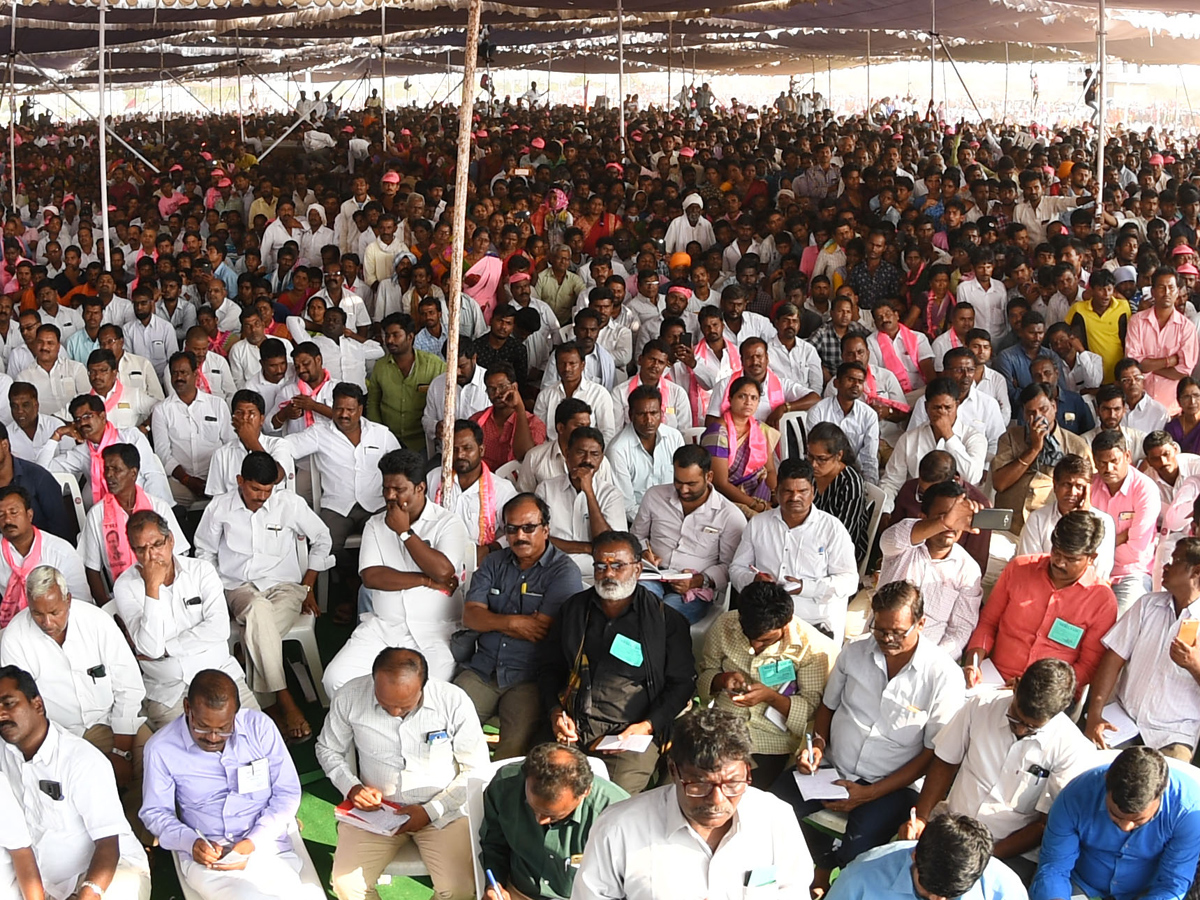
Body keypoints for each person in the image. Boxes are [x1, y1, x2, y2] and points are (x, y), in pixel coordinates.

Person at [769, 581, 965, 894]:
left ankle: (832, 875)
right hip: (832, 767)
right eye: (879, 629)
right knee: (771, 810)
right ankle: (806, 871)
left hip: (891, 784)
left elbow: (932, 755)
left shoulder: (943, 676)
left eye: (897, 632)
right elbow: (828, 707)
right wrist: (817, 746)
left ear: (921, 623)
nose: (887, 639)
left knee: (858, 853)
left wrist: (869, 793)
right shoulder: (855, 651)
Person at [573, 708, 813, 899]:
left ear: (747, 771)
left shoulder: (775, 818)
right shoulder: (619, 828)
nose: (717, 800)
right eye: (700, 785)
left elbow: (794, 891)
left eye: (733, 783)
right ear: (673, 771)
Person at [898, 659, 1096, 878]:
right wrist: (922, 818)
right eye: (1015, 717)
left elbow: (1043, 825)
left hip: (1010, 851)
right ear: (1016, 685)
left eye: (1031, 728)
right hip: (951, 825)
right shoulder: (980, 705)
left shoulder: (1072, 749)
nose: (1020, 729)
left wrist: (984, 857)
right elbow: (945, 762)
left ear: (1058, 714)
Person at [317, 648, 488, 900]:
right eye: (385, 705)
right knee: (347, 887)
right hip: (377, 813)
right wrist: (352, 788)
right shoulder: (350, 696)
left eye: (404, 706)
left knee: (458, 890)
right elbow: (327, 748)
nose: (395, 713)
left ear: (424, 686)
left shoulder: (453, 701)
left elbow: (476, 769)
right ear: (373, 680)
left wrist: (430, 811)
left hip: (444, 812)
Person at [0, 565, 153, 844]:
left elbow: (129, 687)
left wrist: (120, 749)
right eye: (37, 613)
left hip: (111, 721)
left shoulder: (96, 622)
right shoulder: (15, 638)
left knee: (151, 759)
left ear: (68, 600)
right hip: (58, 736)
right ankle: (96, 849)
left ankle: (139, 845)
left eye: (54, 612)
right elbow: (22, 711)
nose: (47, 621)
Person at [538, 530, 695, 793]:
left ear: (637, 569)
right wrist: (556, 713)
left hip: (629, 735)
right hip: (573, 726)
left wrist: (646, 726)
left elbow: (682, 685)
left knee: (613, 804)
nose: (608, 574)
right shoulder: (574, 611)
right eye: (601, 566)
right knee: (547, 794)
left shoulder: (666, 622)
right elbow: (548, 669)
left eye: (618, 566)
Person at [140, 670, 318, 900]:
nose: (213, 737)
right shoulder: (161, 748)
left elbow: (287, 791)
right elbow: (155, 812)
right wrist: (190, 842)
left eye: (224, 728)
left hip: (267, 846)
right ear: (187, 708)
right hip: (211, 859)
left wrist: (253, 842)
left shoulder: (260, 728)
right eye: (202, 726)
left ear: (236, 713)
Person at [194, 452, 333, 744]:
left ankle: (268, 700)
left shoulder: (289, 504)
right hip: (239, 589)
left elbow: (322, 538)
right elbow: (204, 551)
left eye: (268, 491)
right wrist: (218, 592)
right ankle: (285, 701)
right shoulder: (220, 507)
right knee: (256, 610)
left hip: (286, 588)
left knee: (256, 625)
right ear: (240, 481)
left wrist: (308, 585)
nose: (262, 497)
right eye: (256, 489)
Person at [322, 449, 469, 691]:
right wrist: (425, 579)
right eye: (386, 489)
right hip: (383, 627)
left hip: (436, 630)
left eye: (398, 490)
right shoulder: (375, 524)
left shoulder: (447, 523)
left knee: (430, 688)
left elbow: (443, 572)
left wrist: (404, 533)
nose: (390, 496)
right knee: (335, 679)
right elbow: (372, 577)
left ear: (420, 488)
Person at [0, 665, 151, 900]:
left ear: (37, 704)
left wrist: (87, 893)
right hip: (41, 880)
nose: (1, 714)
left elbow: (108, 841)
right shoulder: (5, 752)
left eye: (8, 703)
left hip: (106, 874)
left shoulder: (81, 760)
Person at [454, 493, 581, 759]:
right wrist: (515, 621)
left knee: (512, 753)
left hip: (529, 677)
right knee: (447, 731)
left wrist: (492, 620)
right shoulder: (493, 562)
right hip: (482, 668)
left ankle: (495, 798)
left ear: (545, 530)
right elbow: (471, 616)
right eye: (512, 529)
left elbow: (541, 630)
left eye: (528, 527)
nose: (519, 535)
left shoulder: (563, 571)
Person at [112, 511, 256, 729]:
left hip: (220, 675)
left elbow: (218, 629)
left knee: (255, 734)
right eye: (141, 549)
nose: (151, 556)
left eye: (157, 544)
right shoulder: (125, 586)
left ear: (171, 539)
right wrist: (152, 589)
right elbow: (150, 649)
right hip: (169, 690)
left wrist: (167, 649)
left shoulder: (201, 571)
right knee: (186, 757)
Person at [698, 580, 838, 788]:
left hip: (769, 739)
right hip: (721, 726)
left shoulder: (812, 648)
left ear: (785, 623)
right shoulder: (725, 625)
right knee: (695, 781)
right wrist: (722, 680)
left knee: (741, 794)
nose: (755, 645)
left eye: (765, 641)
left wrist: (771, 697)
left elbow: (810, 711)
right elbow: (704, 672)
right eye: (750, 637)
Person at [963, 510, 1117, 691]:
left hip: (1049, 694)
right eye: (1056, 553)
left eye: (1070, 559)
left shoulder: (1102, 601)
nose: (1059, 562)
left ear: (1091, 558)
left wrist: (1037, 688)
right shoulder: (1019, 569)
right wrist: (974, 662)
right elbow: (988, 623)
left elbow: (1088, 666)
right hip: (993, 679)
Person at [287, 383, 400, 623]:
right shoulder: (319, 433)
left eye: (350, 409)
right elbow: (285, 447)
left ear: (360, 409)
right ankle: (352, 582)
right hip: (337, 505)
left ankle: (376, 598)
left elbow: (400, 463)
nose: (344, 415)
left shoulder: (381, 433)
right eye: (339, 409)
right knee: (324, 543)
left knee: (391, 540)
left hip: (376, 504)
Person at [1031, 748, 1200, 900]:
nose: (1125, 827)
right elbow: (1054, 866)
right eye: (1116, 815)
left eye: (1138, 820)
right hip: (1081, 884)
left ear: (1160, 794)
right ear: (1106, 783)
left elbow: (1172, 884)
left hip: (1148, 892)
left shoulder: (1187, 810)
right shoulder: (1075, 796)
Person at [1084, 538, 1200, 760]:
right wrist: (1095, 715)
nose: (1165, 565)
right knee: (1088, 769)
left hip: (1173, 735)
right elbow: (1113, 658)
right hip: (1122, 718)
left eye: (1175, 560)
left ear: (1196, 571)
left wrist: (1194, 665)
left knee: (1159, 787)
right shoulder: (1147, 605)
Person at [478, 743, 629, 900]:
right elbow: (494, 845)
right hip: (518, 892)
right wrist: (494, 885)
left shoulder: (617, 815)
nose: (540, 820)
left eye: (553, 815)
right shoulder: (505, 787)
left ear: (585, 792)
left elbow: (631, 881)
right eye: (532, 808)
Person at [730, 458, 858, 643]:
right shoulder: (758, 524)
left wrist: (805, 588)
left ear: (812, 492)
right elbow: (736, 569)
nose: (795, 497)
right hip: (766, 623)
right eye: (788, 491)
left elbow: (849, 581)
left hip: (813, 623)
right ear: (777, 492)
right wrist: (754, 580)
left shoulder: (832, 528)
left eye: (802, 491)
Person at [631, 444, 746, 626]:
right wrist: (645, 552)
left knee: (665, 618)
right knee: (637, 606)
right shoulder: (655, 496)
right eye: (678, 481)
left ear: (709, 477)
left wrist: (698, 580)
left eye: (691, 484)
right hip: (652, 576)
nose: (683, 490)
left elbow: (730, 566)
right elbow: (636, 537)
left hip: (696, 588)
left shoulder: (729, 516)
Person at [878, 481, 984, 659]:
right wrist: (944, 522)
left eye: (958, 518)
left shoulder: (968, 569)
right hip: (880, 645)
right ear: (923, 517)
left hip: (929, 660)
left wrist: (930, 662)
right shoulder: (901, 542)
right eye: (944, 516)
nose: (951, 526)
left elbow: (960, 629)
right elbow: (893, 538)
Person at [80, 444, 189, 604]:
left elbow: (178, 556)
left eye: (116, 469)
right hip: (123, 598)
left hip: (166, 593)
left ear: (133, 473)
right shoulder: (97, 514)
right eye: (106, 469)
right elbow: (92, 568)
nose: (109, 476)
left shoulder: (158, 507)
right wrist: (108, 609)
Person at [828, 814, 1027, 900]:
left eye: (951, 896)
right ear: (915, 855)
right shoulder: (860, 877)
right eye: (926, 891)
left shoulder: (1003, 889)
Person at [992, 383, 1092, 534]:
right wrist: (1034, 449)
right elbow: (1000, 484)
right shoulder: (1011, 438)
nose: (1038, 417)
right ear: (1024, 415)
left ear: (1054, 406)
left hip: (1053, 527)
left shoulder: (1076, 445)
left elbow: (1088, 488)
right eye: (1031, 412)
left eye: (1043, 409)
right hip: (1010, 525)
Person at [880, 378, 988, 511]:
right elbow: (892, 481)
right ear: (926, 407)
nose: (942, 413)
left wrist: (949, 435)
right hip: (917, 509)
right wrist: (885, 511)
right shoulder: (909, 439)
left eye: (948, 408)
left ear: (957, 405)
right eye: (937, 408)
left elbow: (973, 477)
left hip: (957, 510)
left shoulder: (974, 437)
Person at [49, 394, 171, 507]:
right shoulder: (82, 452)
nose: (82, 423)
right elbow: (44, 469)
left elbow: (153, 475)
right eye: (77, 419)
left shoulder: (130, 437)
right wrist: (56, 436)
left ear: (102, 416)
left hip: (143, 506)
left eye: (87, 416)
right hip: (106, 514)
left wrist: (150, 511)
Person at [534, 427, 626, 575]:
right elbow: (538, 538)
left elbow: (609, 546)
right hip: (552, 567)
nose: (587, 460)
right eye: (580, 452)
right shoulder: (546, 489)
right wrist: (586, 547)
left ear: (601, 458)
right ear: (567, 454)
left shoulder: (611, 494)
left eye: (594, 454)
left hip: (598, 571)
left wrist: (589, 493)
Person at [1088, 429, 1161, 612]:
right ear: (1094, 461)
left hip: (1131, 573)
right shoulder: (1088, 486)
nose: (1108, 469)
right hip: (1090, 571)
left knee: (1118, 625)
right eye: (1102, 463)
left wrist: (1098, 547)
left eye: (1114, 461)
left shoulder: (1145, 490)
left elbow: (1136, 550)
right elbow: (1081, 537)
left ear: (1127, 456)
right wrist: (1121, 537)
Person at [152, 350, 235, 506]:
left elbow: (231, 445)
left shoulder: (217, 405)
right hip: (181, 483)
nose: (179, 378)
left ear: (195, 374)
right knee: (159, 495)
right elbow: (163, 454)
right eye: (174, 373)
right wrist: (187, 480)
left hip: (218, 480)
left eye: (184, 372)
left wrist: (216, 479)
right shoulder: (161, 410)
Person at [1016, 454, 1116, 581]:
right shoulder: (1038, 519)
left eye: (1079, 486)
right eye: (1067, 485)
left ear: (1089, 489)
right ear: (1055, 485)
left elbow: (1100, 571)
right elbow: (1029, 565)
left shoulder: (1104, 522)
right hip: (1042, 589)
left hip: (1086, 593)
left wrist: (1082, 519)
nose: (1072, 492)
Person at [428, 419, 518, 561]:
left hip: (481, 563)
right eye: (454, 449)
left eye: (467, 448)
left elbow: (516, 530)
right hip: (436, 558)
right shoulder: (434, 478)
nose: (460, 455)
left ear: (481, 450)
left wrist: (490, 549)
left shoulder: (502, 489)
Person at [365, 312, 445, 456]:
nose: (389, 340)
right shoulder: (380, 366)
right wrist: (378, 434)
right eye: (387, 335)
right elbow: (373, 403)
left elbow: (445, 400)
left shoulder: (434, 365)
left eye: (396, 335)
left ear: (410, 337)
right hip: (388, 441)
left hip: (423, 443)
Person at [1125, 266, 1200, 417]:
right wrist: (1169, 361)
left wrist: (1149, 366)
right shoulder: (1137, 321)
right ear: (1152, 291)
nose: (1166, 293)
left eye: (1171, 288)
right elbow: (1133, 364)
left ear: (1178, 291)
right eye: (1161, 287)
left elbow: (1184, 371)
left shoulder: (1187, 328)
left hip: (1172, 409)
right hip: (1139, 406)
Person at [700, 375, 778, 515]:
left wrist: (774, 495)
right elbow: (720, 483)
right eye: (742, 396)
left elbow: (770, 470)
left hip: (760, 491)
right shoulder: (718, 432)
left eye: (754, 398)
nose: (748, 402)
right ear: (730, 399)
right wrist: (756, 505)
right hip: (728, 499)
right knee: (761, 521)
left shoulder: (761, 429)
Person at [606, 387, 684, 524]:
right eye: (642, 414)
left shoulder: (674, 437)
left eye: (654, 413)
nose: (649, 420)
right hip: (638, 523)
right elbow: (627, 507)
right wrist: (659, 524)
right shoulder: (617, 450)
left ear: (661, 413)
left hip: (676, 516)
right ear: (630, 415)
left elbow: (683, 484)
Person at [206, 390, 297, 496]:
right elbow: (217, 497)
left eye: (251, 413)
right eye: (239, 413)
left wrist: (251, 441)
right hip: (234, 510)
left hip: (273, 509)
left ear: (262, 419)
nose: (245, 418)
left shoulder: (278, 444)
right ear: (233, 419)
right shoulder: (221, 454)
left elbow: (276, 477)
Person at [516, 398, 614, 492]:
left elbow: (607, 495)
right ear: (561, 428)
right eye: (579, 426)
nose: (585, 431)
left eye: (588, 426)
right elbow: (524, 495)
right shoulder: (535, 457)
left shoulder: (599, 461)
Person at [805, 361, 880, 483]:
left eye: (860, 381)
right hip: (822, 474)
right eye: (850, 379)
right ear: (836, 383)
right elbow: (814, 453)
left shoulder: (869, 415)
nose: (856, 385)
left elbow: (869, 458)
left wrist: (869, 487)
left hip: (854, 476)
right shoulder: (818, 411)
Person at [534, 343, 617, 445]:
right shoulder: (545, 395)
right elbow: (538, 432)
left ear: (582, 365)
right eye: (562, 363)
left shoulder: (599, 394)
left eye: (572, 363)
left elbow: (607, 433)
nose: (567, 368)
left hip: (587, 453)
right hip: (552, 453)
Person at [421, 337, 489, 456]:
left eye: (462, 366)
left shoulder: (488, 383)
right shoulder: (437, 384)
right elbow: (426, 420)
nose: (457, 372)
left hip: (482, 456)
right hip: (445, 454)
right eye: (452, 366)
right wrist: (437, 427)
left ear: (474, 358)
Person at [472, 363, 547, 471]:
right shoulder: (477, 421)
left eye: (502, 387)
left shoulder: (534, 423)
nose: (497, 393)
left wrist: (519, 408)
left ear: (514, 387)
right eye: (492, 389)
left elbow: (524, 455)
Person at [1083, 384, 1146, 466]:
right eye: (1106, 409)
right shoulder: (1084, 442)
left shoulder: (1139, 439)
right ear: (1097, 411)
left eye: (1117, 409)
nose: (1112, 415)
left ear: (1124, 410)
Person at [1116, 357, 1170, 435]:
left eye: (1137, 378)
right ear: (1117, 384)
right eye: (1127, 380)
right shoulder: (1112, 410)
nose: (1133, 383)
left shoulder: (1159, 412)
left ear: (1143, 380)